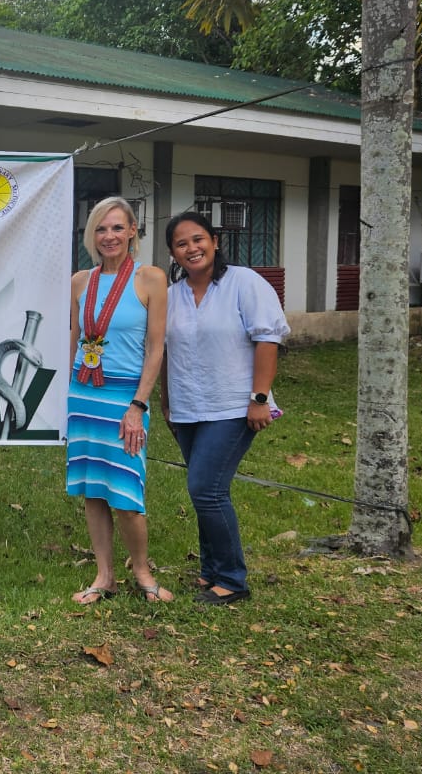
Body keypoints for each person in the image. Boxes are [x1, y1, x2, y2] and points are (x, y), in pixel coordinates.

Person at [161, 211, 289, 605]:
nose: (191, 248)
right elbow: (164, 352)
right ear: (173, 253)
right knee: (206, 490)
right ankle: (210, 571)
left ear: (215, 241)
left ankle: (232, 579)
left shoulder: (244, 282)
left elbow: (268, 339)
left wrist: (259, 399)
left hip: (233, 406)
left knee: (206, 489)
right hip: (186, 408)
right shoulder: (171, 296)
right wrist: (166, 403)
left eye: (198, 239)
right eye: (181, 243)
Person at [66, 197, 172, 604]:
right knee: (93, 489)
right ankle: (104, 575)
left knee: (127, 494)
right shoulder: (80, 280)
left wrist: (139, 405)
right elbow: (76, 338)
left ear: (132, 232)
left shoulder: (150, 279)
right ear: (92, 236)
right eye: (100, 229)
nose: (108, 236)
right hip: (85, 394)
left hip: (125, 399)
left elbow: (155, 347)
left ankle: (142, 572)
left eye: (116, 228)